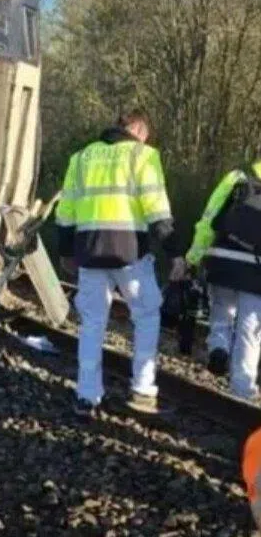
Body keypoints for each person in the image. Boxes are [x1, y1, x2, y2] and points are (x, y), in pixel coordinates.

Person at [56, 108, 186, 417]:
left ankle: (87, 396)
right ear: (140, 130)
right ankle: (142, 390)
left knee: (91, 324)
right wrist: (175, 253)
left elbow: (66, 212)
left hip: (89, 251)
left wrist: (65, 252)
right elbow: (157, 210)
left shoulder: (82, 158)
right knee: (146, 315)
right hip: (130, 253)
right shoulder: (143, 156)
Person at [186, 160, 261, 399]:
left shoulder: (237, 178)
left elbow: (209, 219)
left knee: (222, 311)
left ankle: (219, 347)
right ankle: (242, 390)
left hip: (223, 260)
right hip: (256, 268)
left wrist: (194, 257)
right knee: (250, 329)